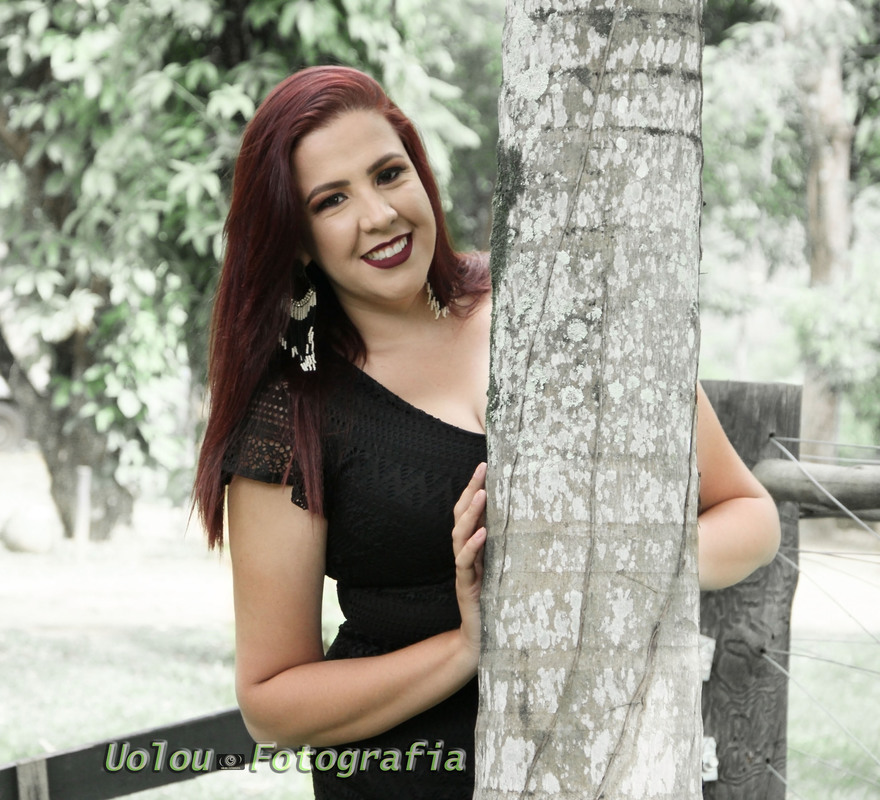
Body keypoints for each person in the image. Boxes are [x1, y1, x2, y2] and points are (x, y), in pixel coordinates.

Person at [193, 65, 780, 799]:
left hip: (600, 769)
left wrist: (603, 570)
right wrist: (468, 645)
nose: (379, 214)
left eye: (389, 174)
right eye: (331, 200)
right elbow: (271, 703)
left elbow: (749, 517)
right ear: (299, 241)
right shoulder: (294, 411)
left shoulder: (558, 301)